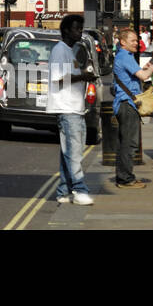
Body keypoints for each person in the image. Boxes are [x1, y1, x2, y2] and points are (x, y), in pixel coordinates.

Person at [48, 15, 96, 206]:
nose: (80, 32)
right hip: (67, 109)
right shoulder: (60, 50)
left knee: (68, 152)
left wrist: (84, 76)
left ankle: (63, 191)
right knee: (74, 152)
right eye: (77, 29)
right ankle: (79, 189)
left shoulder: (68, 51)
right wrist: (83, 76)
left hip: (74, 108)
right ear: (66, 30)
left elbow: (69, 76)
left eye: (81, 29)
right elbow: (58, 78)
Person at [112, 28, 153, 189]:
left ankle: (124, 176)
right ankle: (125, 179)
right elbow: (143, 77)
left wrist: (145, 69)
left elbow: (134, 76)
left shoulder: (124, 56)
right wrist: (151, 69)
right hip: (127, 105)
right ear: (123, 42)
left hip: (125, 104)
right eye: (133, 40)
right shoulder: (125, 56)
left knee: (125, 143)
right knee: (129, 143)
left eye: (137, 40)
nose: (137, 43)